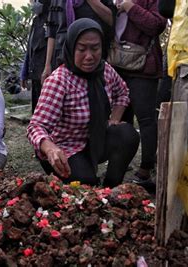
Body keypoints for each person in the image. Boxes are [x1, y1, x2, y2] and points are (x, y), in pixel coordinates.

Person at [27, 18, 140, 187]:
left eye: (95, 48)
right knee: (85, 184)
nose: (89, 56)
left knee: (127, 135)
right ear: (72, 47)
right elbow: (35, 127)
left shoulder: (105, 71)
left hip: (95, 140)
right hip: (65, 148)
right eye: (82, 49)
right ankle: (86, 177)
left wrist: (114, 119)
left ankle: (111, 188)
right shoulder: (59, 81)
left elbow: (122, 92)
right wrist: (51, 149)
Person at [112, 0, 166, 187]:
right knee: (121, 120)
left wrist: (129, 7)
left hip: (143, 68)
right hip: (117, 64)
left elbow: (157, 25)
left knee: (146, 119)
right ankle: (119, 162)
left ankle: (145, 169)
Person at [41, 0, 116, 83]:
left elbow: (111, 19)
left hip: (92, 55)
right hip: (63, 55)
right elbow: (52, 32)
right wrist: (47, 64)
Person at [21, 0, 50, 113]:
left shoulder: (53, 19)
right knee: (37, 111)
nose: (33, 4)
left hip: (48, 75)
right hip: (35, 74)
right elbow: (30, 48)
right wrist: (24, 73)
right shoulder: (35, 21)